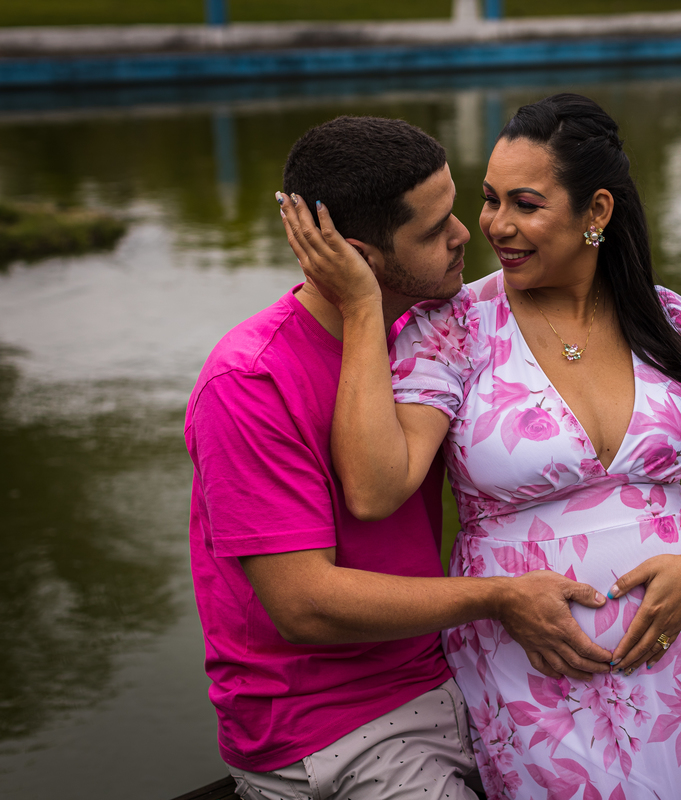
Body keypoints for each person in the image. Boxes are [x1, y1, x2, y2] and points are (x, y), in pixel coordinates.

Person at [285, 94, 681, 798]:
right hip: (531, 667)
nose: (495, 226)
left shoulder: (670, 321)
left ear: (595, 212)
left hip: (676, 663)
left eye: (526, 204)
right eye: (489, 200)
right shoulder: (455, 328)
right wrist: (362, 308)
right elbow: (375, 486)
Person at [186, 115, 617, 800]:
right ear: (360, 256)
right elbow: (304, 605)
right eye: (433, 228)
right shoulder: (248, 382)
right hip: (330, 725)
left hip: (442, 677)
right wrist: (501, 598)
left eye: (456, 209)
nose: (465, 234)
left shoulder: (424, 336)